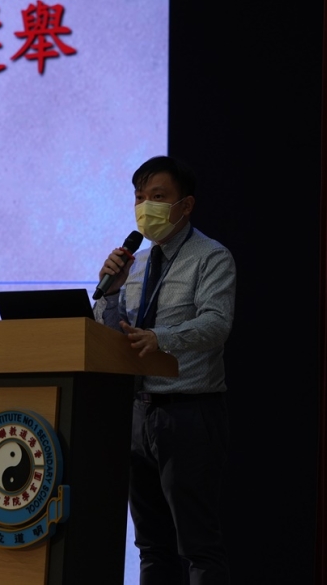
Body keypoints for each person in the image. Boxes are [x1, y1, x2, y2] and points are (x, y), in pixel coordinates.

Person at [93, 155, 235, 585]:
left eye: (157, 197)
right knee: (151, 546)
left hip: (188, 412)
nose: (145, 207)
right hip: (138, 412)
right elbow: (111, 334)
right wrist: (110, 294)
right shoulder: (134, 266)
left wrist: (162, 338)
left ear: (185, 205)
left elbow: (217, 323)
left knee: (197, 544)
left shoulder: (211, 257)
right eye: (139, 198)